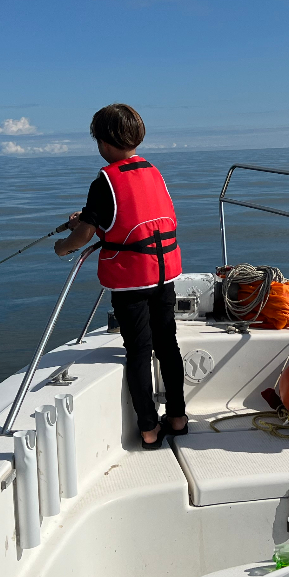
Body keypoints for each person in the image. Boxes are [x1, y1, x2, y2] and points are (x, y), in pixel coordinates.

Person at [54, 104, 187, 450]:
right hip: (163, 275)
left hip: (131, 283)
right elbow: (135, 211)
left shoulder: (105, 180)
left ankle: (148, 429)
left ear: (103, 142)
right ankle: (177, 418)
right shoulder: (154, 172)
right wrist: (87, 217)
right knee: (167, 346)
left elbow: (85, 235)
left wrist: (64, 246)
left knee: (139, 351)